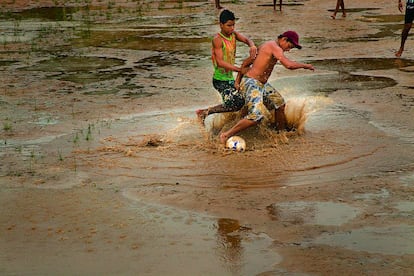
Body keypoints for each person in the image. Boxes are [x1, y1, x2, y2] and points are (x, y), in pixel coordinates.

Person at [220, 31, 315, 144]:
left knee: (280, 104)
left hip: (261, 85)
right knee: (256, 115)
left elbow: (246, 62)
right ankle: (226, 135)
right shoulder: (274, 47)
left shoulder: (266, 46)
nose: (288, 50)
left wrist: (238, 81)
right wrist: (305, 66)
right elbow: (288, 65)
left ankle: (280, 134)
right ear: (284, 39)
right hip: (252, 83)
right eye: (289, 46)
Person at [196, 9, 257, 125]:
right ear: (221, 25)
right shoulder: (217, 40)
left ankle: (235, 124)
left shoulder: (234, 35)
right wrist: (240, 69)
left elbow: (246, 39)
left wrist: (252, 45)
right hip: (219, 80)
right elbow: (220, 62)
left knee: (242, 101)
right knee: (235, 103)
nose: (232, 28)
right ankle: (204, 112)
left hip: (229, 79)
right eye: (229, 25)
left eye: (233, 25)